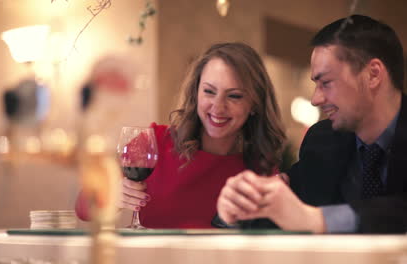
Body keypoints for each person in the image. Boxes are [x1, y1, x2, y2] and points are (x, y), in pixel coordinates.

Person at [217, 15, 407, 234]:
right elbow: (287, 213)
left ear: (373, 74)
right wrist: (239, 209)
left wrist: (318, 219)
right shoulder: (322, 140)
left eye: (326, 83)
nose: (316, 99)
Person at [76, 42, 286, 228]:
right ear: (196, 92)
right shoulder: (154, 141)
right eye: (209, 91)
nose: (218, 107)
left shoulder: (262, 168)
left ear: (254, 104)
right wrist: (112, 196)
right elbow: (83, 208)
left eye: (234, 96)